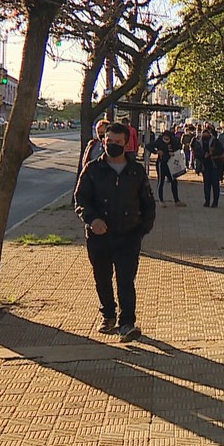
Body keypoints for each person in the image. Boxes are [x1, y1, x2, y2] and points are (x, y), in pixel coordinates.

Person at [74, 122, 156, 342]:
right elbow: (80, 199)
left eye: (118, 143)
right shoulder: (92, 169)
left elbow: (148, 202)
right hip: (99, 237)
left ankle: (127, 323)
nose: (113, 146)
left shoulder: (135, 171)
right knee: (102, 278)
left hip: (128, 236)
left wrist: (142, 229)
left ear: (126, 143)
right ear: (104, 141)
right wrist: (92, 220)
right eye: (109, 142)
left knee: (126, 280)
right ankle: (108, 315)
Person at [149, 129, 184, 207]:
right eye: (165, 139)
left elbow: (179, 147)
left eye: (167, 139)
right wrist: (156, 151)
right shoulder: (159, 141)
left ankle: (176, 200)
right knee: (161, 181)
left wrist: (174, 153)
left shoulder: (174, 141)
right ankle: (161, 200)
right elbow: (149, 146)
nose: (166, 141)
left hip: (171, 164)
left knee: (174, 181)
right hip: (162, 163)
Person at [193, 128, 224, 207]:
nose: (205, 135)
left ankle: (215, 202)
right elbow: (196, 154)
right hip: (205, 166)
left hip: (214, 165)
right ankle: (207, 201)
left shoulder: (215, 142)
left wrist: (213, 153)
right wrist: (204, 156)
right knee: (206, 185)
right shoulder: (199, 142)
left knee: (215, 184)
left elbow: (221, 151)